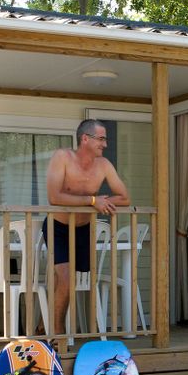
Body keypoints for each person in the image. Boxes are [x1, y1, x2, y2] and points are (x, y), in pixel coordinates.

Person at [45, 119, 130, 340]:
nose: (105, 144)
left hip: (84, 229)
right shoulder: (62, 157)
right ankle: (57, 335)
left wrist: (102, 202)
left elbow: (125, 198)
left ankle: (43, 326)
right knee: (65, 279)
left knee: (72, 281)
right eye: (101, 139)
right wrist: (93, 200)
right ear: (85, 139)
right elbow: (54, 197)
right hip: (58, 228)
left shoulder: (104, 165)